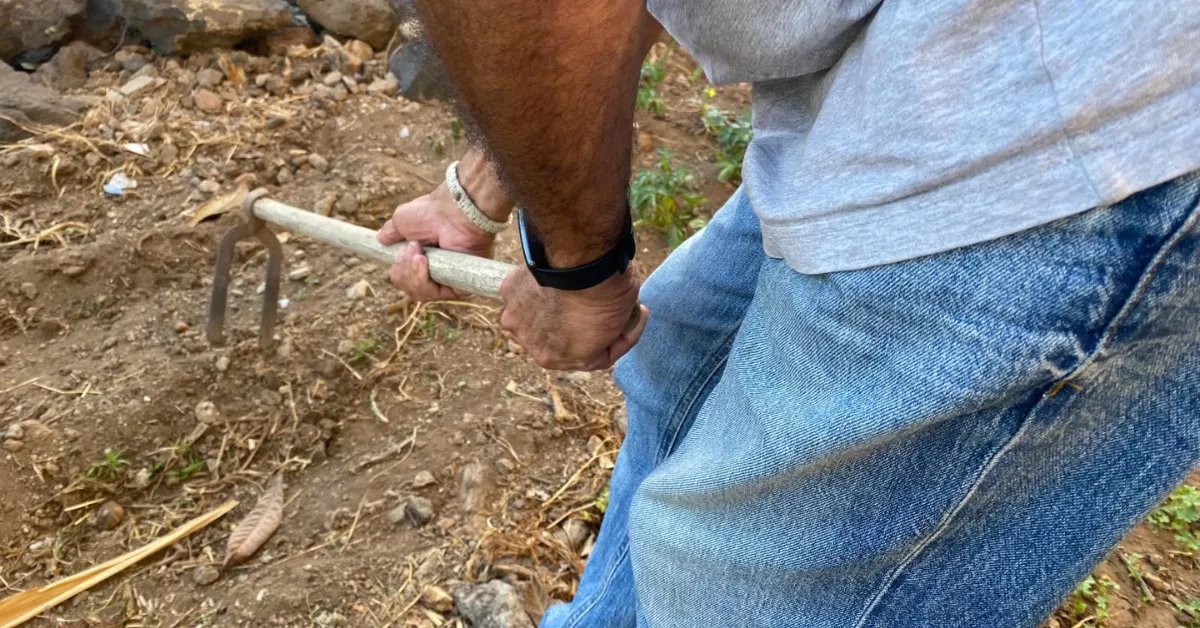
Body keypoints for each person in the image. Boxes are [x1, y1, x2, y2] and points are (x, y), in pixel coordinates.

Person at [376, 0, 1200, 625]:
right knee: (678, 353)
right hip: (914, 57)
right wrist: (480, 193)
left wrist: (577, 268)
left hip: (1094, 126)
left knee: (732, 592)